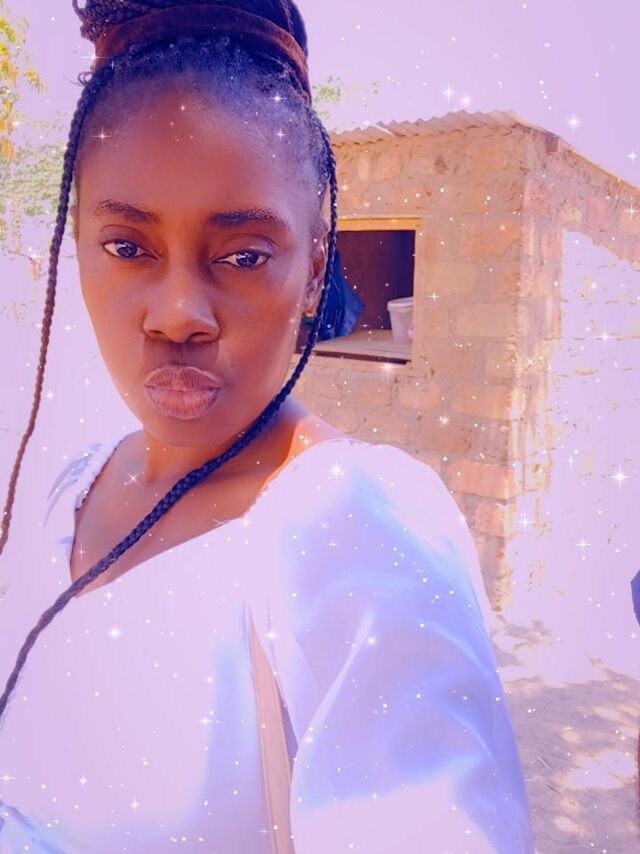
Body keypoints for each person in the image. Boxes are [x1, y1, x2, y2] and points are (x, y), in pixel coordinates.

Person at [0, 2, 535, 852]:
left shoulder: (350, 525)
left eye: (243, 255)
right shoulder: (65, 486)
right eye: (128, 247)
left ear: (315, 265)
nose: (178, 314)